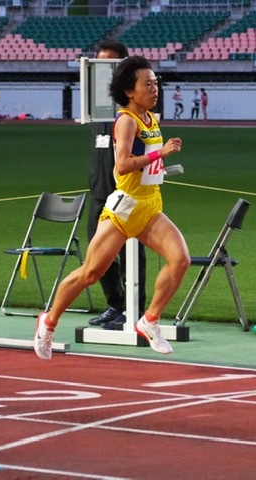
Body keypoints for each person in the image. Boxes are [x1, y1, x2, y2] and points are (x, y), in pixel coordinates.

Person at [34, 56, 189, 359]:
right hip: (124, 211)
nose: (155, 88)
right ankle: (49, 322)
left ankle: (150, 321)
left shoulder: (150, 117)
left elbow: (145, 163)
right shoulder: (127, 120)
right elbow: (123, 164)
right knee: (90, 273)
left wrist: (159, 167)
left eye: (156, 83)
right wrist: (161, 155)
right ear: (130, 91)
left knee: (180, 260)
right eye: (148, 84)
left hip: (149, 207)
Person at [87, 40, 148, 331]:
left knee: (132, 252)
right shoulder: (97, 106)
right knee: (97, 253)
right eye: (99, 65)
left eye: (109, 66)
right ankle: (116, 304)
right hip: (99, 193)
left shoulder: (132, 109)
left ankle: (137, 310)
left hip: (126, 194)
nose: (104, 72)